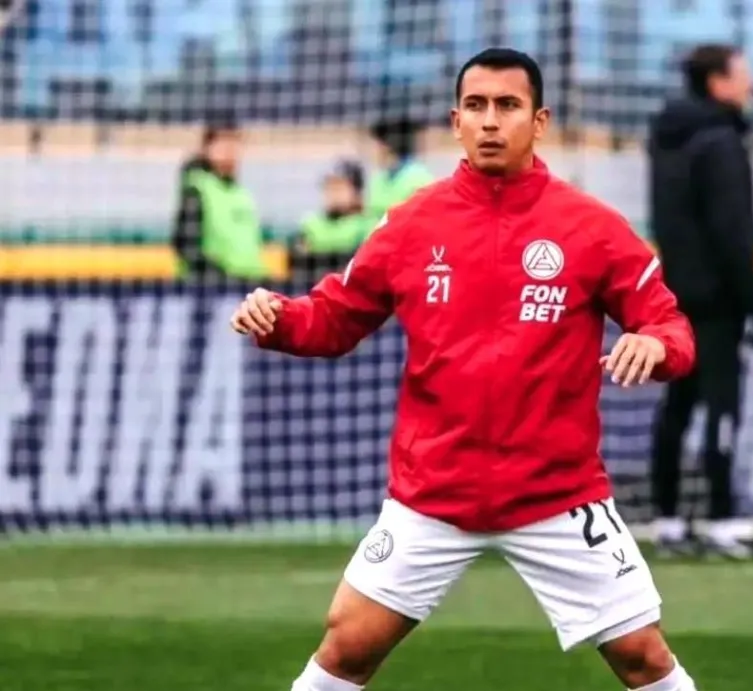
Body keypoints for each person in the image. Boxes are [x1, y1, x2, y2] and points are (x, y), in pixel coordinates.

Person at [231, 48, 699, 691]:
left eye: (508, 105)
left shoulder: (592, 228)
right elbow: (334, 318)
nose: (490, 121)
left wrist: (658, 345)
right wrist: (278, 319)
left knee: (643, 655)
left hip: (555, 494)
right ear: (456, 122)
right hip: (435, 493)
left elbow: (671, 325)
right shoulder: (412, 224)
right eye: (475, 106)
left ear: (539, 121)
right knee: (347, 644)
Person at [646, 44, 753, 560]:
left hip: (676, 292)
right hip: (718, 297)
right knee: (722, 404)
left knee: (677, 404)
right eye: (743, 74)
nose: (751, 84)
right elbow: (733, 230)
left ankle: (668, 519)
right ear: (718, 83)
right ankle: (722, 516)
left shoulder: (667, 139)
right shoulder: (722, 142)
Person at [172, 117, 269, 281]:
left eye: (234, 144)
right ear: (207, 148)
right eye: (223, 144)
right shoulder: (196, 189)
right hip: (214, 287)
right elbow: (187, 247)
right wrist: (221, 278)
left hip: (250, 284)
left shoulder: (242, 194)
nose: (230, 151)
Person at [289, 160, 367, 281]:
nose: (332, 193)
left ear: (357, 192)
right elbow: (297, 262)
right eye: (329, 187)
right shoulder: (311, 224)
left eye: (339, 187)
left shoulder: (366, 226)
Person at [363, 117, 435, 235]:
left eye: (375, 144)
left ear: (386, 146)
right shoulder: (377, 178)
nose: (372, 150)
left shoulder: (419, 178)